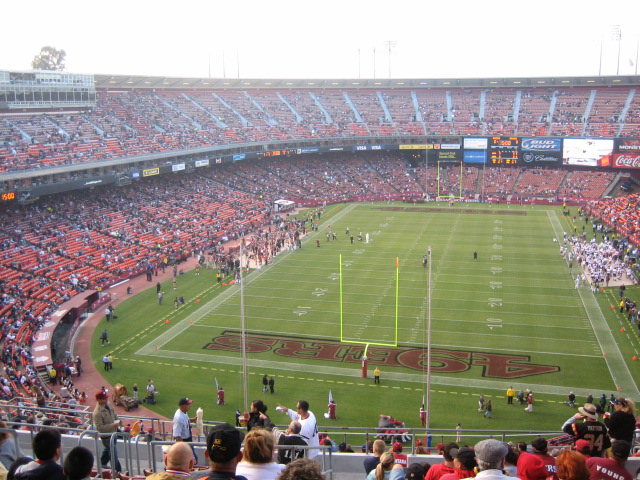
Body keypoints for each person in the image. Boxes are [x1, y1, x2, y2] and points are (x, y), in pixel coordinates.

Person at [93, 389, 122, 472]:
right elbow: (100, 428)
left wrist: (120, 421)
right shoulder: (97, 413)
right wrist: (113, 425)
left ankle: (101, 465)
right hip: (106, 437)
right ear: (98, 400)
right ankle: (118, 472)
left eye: (106, 398)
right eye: (103, 399)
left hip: (114, 433)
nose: (106, 400)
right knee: (114, 454)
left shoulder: (108, 404)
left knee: (108, 450)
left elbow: (114, 414)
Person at [173, 397, 197, 465]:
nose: (189, 406)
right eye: (188, 404)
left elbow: (186, 420)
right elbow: (177, 435)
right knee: (191, 461)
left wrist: (194, 419)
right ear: (182, 406)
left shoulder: (183, 412)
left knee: (193, 460)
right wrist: (184, 448)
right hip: (184, 441)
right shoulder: (179, 418)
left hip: (188, 440)